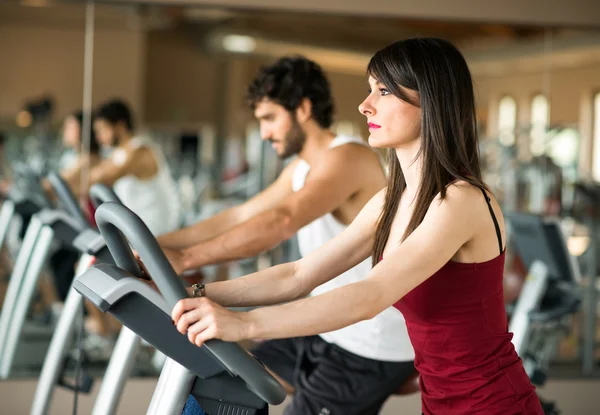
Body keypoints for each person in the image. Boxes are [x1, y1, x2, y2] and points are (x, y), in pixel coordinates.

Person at [171, 38, 545, 415]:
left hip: (494, 405)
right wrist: (195, 291)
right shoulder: (391, 201)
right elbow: (299, 276)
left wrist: (244, 325)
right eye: (370, 90)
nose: (365, 105)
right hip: (440, 405)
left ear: (430, 100)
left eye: (383, 91)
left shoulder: (461, 200)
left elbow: (370, 295)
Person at [156, 56, 415, 415]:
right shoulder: (302, 167)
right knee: (218, 388)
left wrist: (185, 260)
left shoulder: (349, 157)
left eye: (270, 118)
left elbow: (281, 221)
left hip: (368, 341)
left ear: (303, 109)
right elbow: (241, 214)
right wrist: (157, 246)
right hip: (324, 327)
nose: (264, 133)